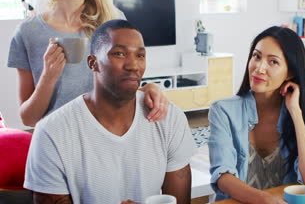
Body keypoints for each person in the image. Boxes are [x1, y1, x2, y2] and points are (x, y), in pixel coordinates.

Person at [24, 19, 195, 204]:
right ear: (93, 63)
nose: (133, 66)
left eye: (140, 56)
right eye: (119, 53)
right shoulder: (52, 132)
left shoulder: (169, 119)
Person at [7, 0, 168, 127]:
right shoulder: (28, 31)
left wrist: (150, 88)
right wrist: (48, 77)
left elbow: (121, 90)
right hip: (55, 144)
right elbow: (28, 118)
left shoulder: (113, 21)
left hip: (105, 137)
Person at [208, 26, 305, 203]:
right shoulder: (223, 110)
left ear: (291, 73)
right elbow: (222, 176)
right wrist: (264, 200)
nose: (259, 67)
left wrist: (295, 112)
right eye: (256, 56)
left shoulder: (302, 112)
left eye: (273, 61)